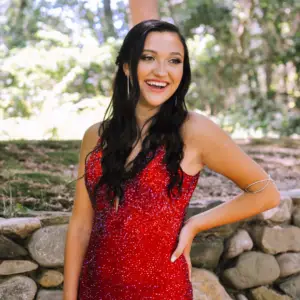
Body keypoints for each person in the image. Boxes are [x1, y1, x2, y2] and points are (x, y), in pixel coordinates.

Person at [63, 20, 280, 300]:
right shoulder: (95, 136)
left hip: (162, 291)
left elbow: (266, 193)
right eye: (148, 58)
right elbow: (81, 225)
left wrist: (194, 224)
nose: (161, 71)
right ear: (128, 66)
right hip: (95, 290)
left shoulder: (195, 131)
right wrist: (69, 297)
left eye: (174, 61)